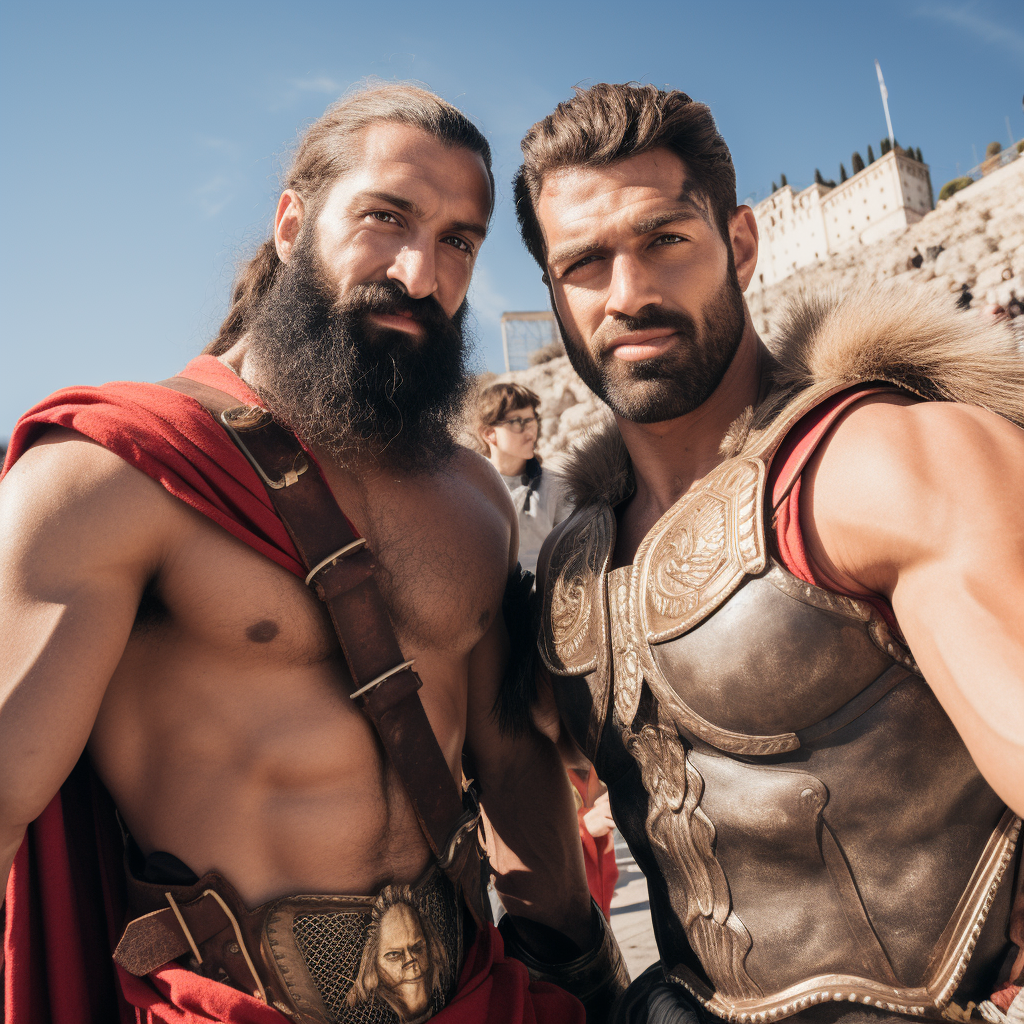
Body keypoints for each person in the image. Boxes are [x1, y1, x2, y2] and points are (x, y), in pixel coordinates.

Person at [0, 83, 626, 1024]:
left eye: (459, 240)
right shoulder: (112, 476)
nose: (420, 273)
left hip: (471, 998)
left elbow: (509, 761)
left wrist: (581, 971)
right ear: (293, 223)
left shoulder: (474, 499)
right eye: (386, 217)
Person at [513, 83, 1024, 1024]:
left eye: (666, 239)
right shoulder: (571, 575)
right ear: (551, 293)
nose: (628, 293)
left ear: (740, 244)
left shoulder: (885, 463)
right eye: (584, 263)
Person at [473, 382, 572, 573]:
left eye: (532, 419)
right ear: (489, 433)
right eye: (517, 422)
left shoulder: (555, 485)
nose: (530, 431)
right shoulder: (470, 488)